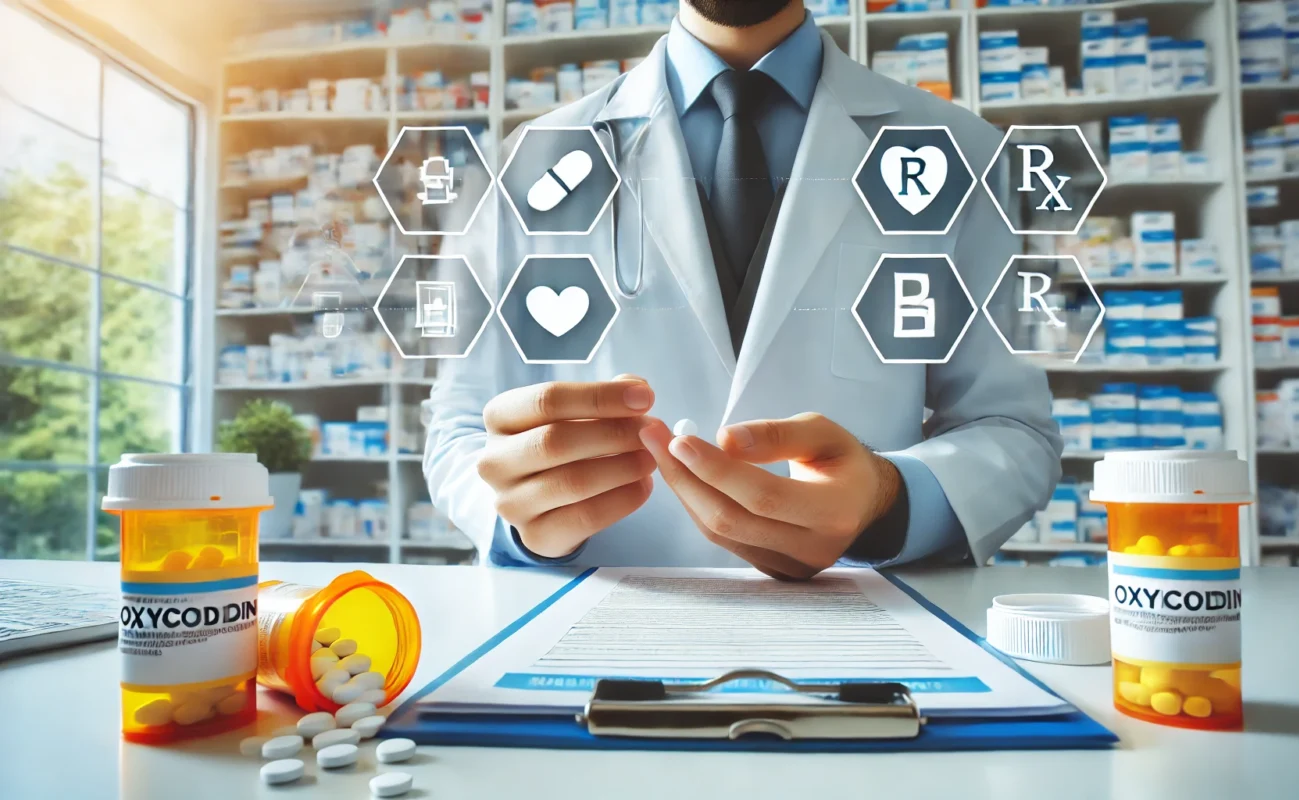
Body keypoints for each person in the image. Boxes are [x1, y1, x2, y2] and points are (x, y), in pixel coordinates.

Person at [424, 0, 1062, 578]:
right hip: (600, 622)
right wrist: (520, 519)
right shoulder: (525, 166)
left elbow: (1013, 429)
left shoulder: (963, 153)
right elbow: (458, 428)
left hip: (860, 627)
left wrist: (890, 504)